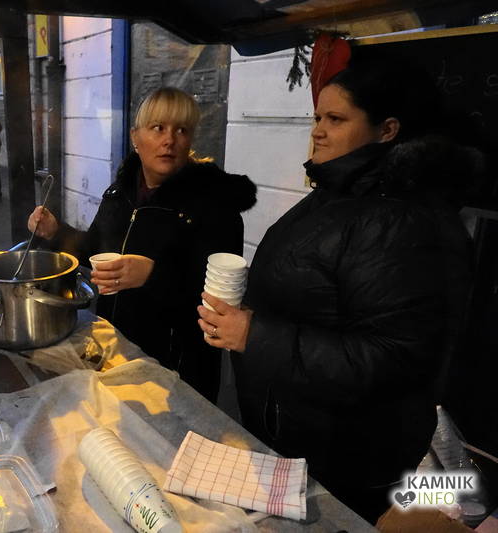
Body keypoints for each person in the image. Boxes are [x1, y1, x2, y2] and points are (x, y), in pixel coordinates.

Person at [196, 60, 475, 523]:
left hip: (344, 455)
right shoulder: (342, 190)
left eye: (336, 119)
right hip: (298, 432)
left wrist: (255, 335)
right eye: (317, 117)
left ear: (387, 130)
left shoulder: (399, 220)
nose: (318, 131)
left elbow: (393, 358)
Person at [27, 87, 256, 401]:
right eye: (158, 128)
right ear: (136, 137)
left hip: (178, 368)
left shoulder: (215, 205)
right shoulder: (120, 193)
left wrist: (153, 274)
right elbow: (94, 249)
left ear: (190, 139)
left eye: (181, 130)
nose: (169, 140)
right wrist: (56, 232)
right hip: (116, 347)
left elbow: (219, 302)